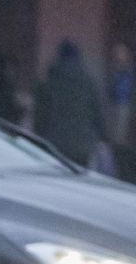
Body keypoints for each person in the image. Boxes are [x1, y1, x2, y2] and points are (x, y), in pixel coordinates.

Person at [33, 40, 109, 168]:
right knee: (78, 180)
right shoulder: (89, 82)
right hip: (83, 143)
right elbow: (98, 113)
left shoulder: (48, 81)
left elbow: (40, 116)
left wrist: (39, 137)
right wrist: (104, 137)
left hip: (54, 142)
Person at [107, 42, 133, 148]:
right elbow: (110, 85)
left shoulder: (129, 69)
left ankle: (119, 149)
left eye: (121, 52)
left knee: (121, 131)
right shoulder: (113, 69)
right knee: (113, 130)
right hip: (113, 102)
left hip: (124, 102)